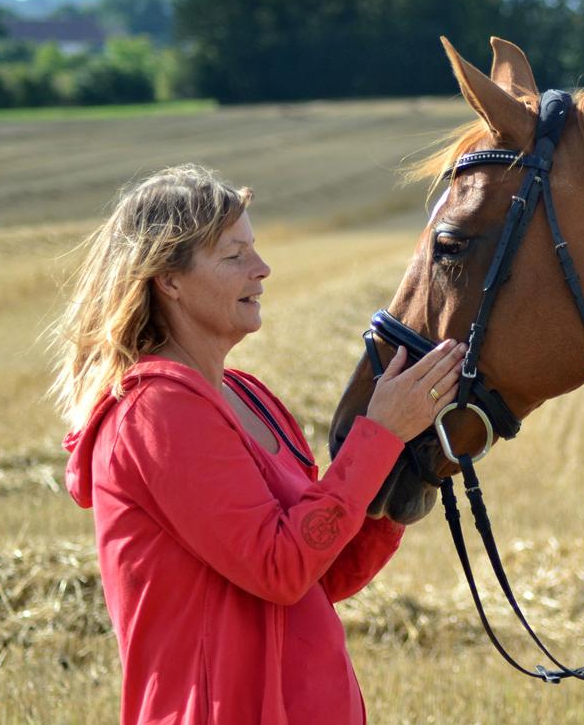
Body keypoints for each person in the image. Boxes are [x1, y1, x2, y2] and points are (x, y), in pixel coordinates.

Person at [50, 164, 463, 724]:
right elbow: (279, 565)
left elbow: (321, 575)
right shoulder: (154, 411)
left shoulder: (249, 396)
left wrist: (407, 470)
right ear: (167, 279)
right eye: (233, 256)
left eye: (255, 249)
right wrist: (381, 433)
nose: (261, 269)